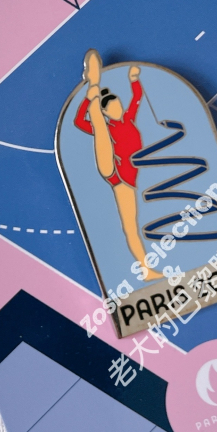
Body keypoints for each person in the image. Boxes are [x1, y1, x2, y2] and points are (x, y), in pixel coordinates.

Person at [74, 49, 162, 281]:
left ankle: (146, 270)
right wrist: (88, 100)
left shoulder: (128, 118)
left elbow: (137, 98)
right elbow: (78, 122)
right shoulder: (108, 126)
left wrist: (134, 79)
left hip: (128, 175)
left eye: (118, 106)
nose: (117, 109)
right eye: (112, 108)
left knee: (131, 225)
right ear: (106, 111)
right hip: (116, 173)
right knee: (130, 227)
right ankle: (93, 90)